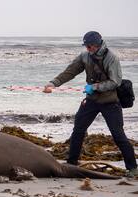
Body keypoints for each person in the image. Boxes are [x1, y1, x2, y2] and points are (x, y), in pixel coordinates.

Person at [43, 31, 137, 178]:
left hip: (110, 102)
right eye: (86, 46)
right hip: (91, 101)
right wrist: (53, 83)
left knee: (118, 136)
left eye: (91, 46)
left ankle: (132, 168)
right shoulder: (85, 56)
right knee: (78, 130)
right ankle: (71, 164)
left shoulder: (111, 58)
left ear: (99, 44)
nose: (88, 49)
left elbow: (115, 82)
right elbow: (70, 72)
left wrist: (94, 87)